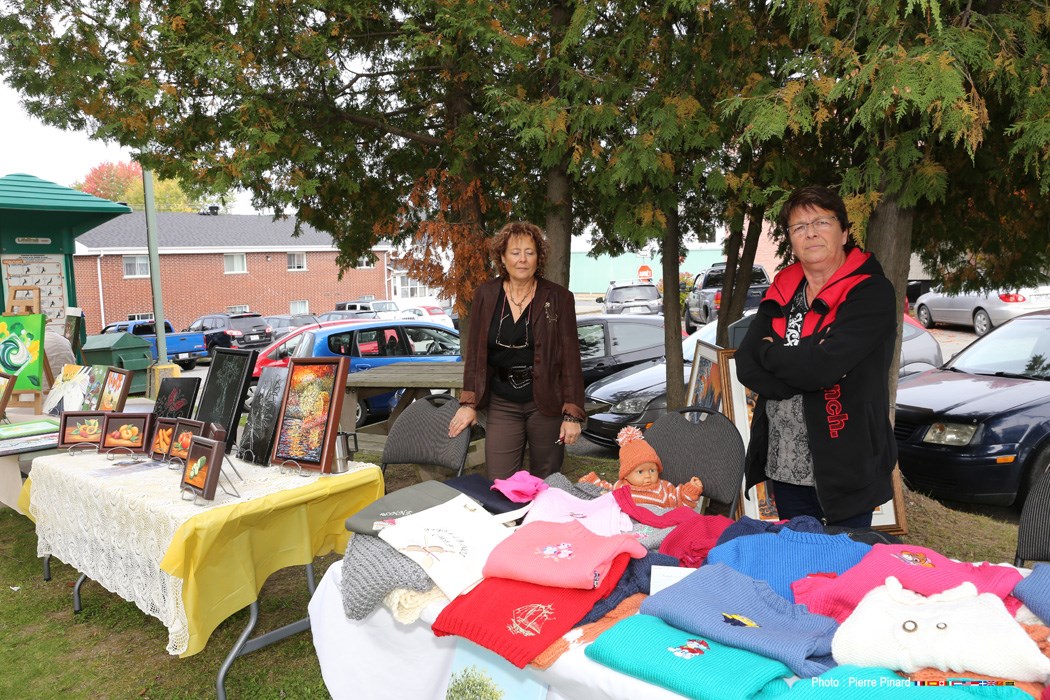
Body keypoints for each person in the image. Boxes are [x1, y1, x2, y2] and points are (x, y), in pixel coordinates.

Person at [735, 185, 897, 528]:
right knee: (797, 552)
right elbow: (747, 364)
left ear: (844, 232)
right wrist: (803, 367)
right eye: (799, 227)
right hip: (785, 461)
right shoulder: (783, 290)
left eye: (822, 222)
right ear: (791, 240)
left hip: (846, 461)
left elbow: (822, 368)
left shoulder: (871, 292)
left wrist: (770, 351)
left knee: (843, 556)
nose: (810, 233)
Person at [448, 222, 586, 480]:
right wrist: (468, 403)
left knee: (547, 479)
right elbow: (475, 354)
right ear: (502, 257)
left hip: (546, 402)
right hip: (502, 402)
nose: (522, 259)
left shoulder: (559, 298)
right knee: (500, 480)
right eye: (515, 252)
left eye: (529, 252)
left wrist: (572, 414)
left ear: (538, 258)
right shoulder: (486, 295)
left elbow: (570, 359)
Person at [578, 426, 704, 509]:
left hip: (655, 526)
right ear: (626, 474)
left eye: (652, 470)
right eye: (640, 472)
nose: (648, 475)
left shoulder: (664, 488)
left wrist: (691, 490)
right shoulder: (621, 487)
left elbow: (679, 500)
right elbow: (605, 491)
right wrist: (591, 481)